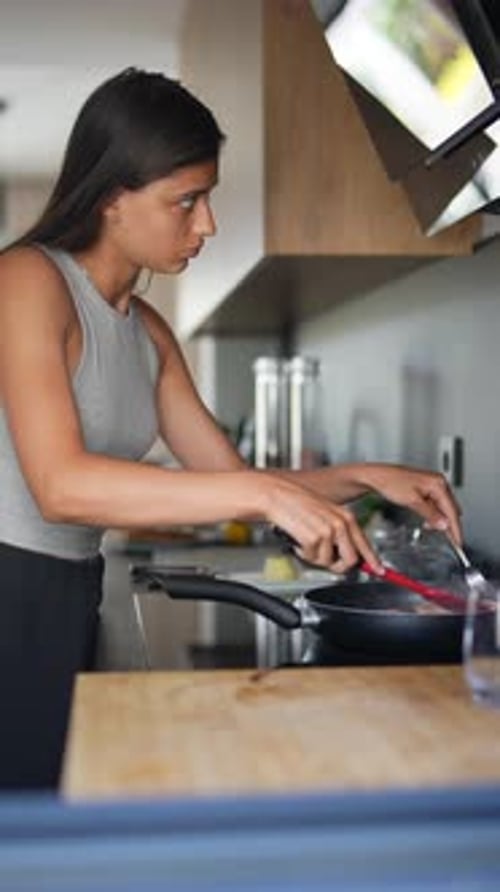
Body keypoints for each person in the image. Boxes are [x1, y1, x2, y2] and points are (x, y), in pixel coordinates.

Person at [0, 68, 461, 790]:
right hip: (11, 590)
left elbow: (229, 476)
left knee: (47, 811)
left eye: (206, 199)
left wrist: (370, 476)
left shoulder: (147, 332)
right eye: (187, 201)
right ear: (114, 198)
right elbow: (60, 486)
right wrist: (266, 499)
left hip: (69, 590)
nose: (207, 224)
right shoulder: (26, 281)